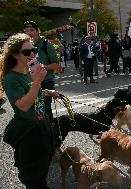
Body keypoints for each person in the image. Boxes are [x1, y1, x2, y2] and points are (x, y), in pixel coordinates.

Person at [0, 33, 58, 189]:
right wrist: (37, 81)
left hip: (41, 123)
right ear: (15, 55)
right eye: (27, 52)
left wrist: (47, 92)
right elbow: (23, 105)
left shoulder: (30, 68)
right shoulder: (11, 78)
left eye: (34, 49)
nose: (32, 54)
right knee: (33, 177)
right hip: (29, 131)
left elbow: (34, 92)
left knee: (44, 166)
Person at [24, 21, 59, 121]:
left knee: (45, 109)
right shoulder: (24, 45)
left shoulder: (45, 44)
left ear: (37, 31)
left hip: (46, 82)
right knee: (33, 110)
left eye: (31, 30)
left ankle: (50, 130)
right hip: (30, 82)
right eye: (26, 31)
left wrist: (42, 66)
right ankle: (39, 131)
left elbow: (55, 64)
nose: (29, 33)